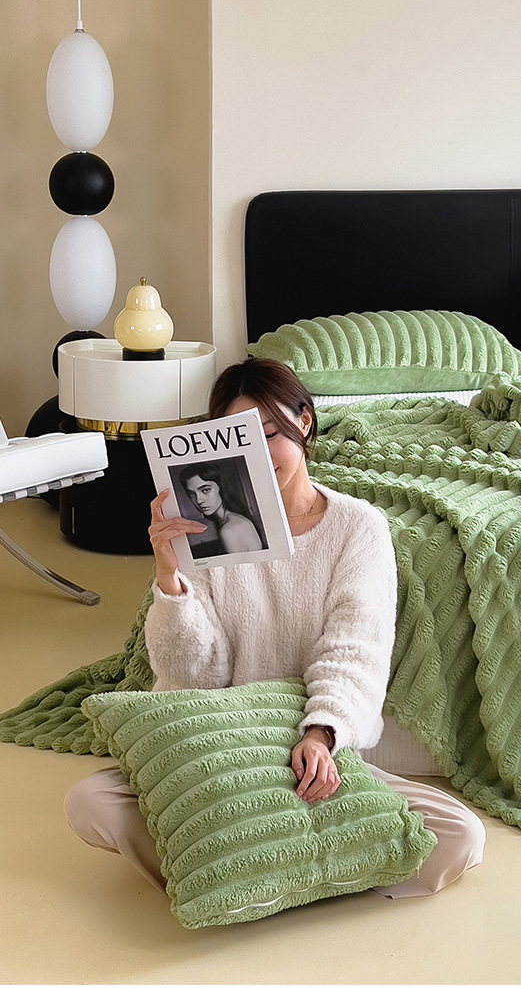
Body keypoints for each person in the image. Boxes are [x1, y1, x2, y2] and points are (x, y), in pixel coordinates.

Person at [64, 357, 485, 900]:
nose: (258, 456)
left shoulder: (358, 527)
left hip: (310, 754)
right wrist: (170, 577)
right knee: (88, 803)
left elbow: (354, 651)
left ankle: (240, 878)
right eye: (239, 440)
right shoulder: (203, 531)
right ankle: (298, 876)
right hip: (225, 746)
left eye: (269, 434)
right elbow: (191, 675)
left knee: (460, 837)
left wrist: (321, 734)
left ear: (304, 422)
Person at [177, 461, 264, 554]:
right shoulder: (234, 519)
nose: (199, 500)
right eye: (191, 494)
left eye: (206, 490)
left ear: (220, 487)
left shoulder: (229, 530)